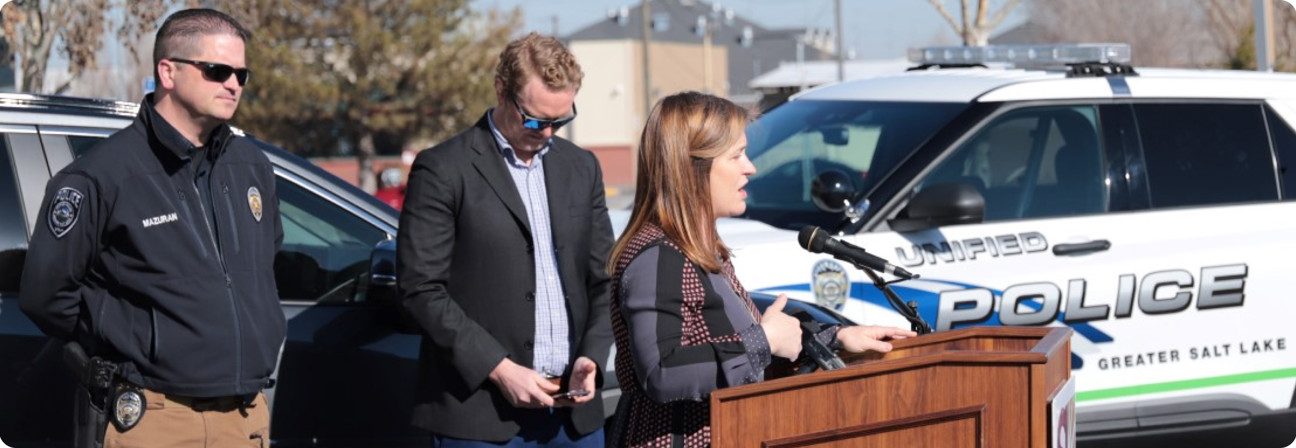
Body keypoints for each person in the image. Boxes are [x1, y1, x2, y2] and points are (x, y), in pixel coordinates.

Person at [19, 8, 283, 448]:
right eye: (217, 70)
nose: (233, 84)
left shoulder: (251, 165)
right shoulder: (103, 175)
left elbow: (263, 262)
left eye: (241, 74)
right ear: (168, 72)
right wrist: (131, 339)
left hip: (245, 415)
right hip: (158, 417)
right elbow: (45, 296)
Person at [606, 91, 917, 447]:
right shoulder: (658, 256)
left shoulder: (697, 248)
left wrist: (836, 338)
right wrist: (764, 340)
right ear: (692, 168)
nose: (750, 167)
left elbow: (729, 343)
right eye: (736, 155)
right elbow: (662, 371)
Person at [396, 32, 613, 447]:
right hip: (481, 417)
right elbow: (421, 289)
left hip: (574, 420)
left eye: (560, 121)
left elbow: (603, 279)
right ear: (501, 90)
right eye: (534, 119)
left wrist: (592, 357)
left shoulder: (582, 167)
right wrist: (499, 368)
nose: (547, 133)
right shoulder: (443, 169)